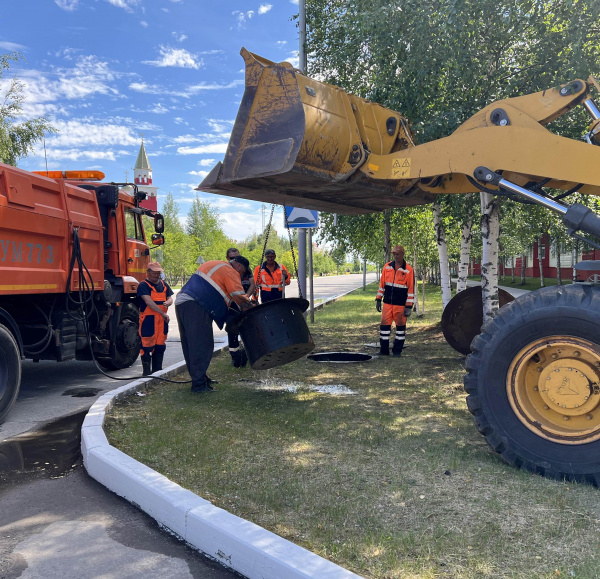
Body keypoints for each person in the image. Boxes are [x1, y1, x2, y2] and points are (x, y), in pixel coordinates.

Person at [175, 256, 253, 393]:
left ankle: (200, 378)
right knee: (202, 344)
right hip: (196, 304)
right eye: (243, 273)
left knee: (191, 344)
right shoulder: (231, 271)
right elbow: (238, 295)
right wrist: (250, 306)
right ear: (240, 266)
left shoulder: (215, 264)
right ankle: (199, 385)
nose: (241, 276)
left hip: (184, 303)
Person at [375, 245, 414, 357]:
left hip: (401, 305)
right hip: (387, 304)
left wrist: (408, 306)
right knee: (384, 328)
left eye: (397, 254)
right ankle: (384, 351)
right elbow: (382, 285)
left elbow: (411, 289)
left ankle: (397, 351)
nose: (395, 256)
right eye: (394, 254)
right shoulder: (387, 267)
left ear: (402, 254)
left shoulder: (408, 270)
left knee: (400, 330)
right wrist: (378, 299)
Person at [137, 261, 174, 375]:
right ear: (148, 272)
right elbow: (148, 302)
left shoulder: (163, 284)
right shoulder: (143, 285)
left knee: (160, 345)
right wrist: (162, 313)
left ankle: (158, 372)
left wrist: (168, 302)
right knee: (147, 346)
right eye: (154, 273)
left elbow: (170, 298)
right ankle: (147, 374)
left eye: (158, 273)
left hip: (162, 321)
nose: (157, 275)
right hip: (149, 320)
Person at [225, 248, 255, 367]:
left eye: (237, 257)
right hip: (232, 305)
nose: (235, 260)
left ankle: (250, 353)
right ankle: (235, 357)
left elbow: (253, 284)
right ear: (228, 258)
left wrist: (246, 297)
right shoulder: (226, 270)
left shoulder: (246, 269)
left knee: (248, 328)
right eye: (232, 258)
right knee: (232, 330)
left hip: (245, 302)